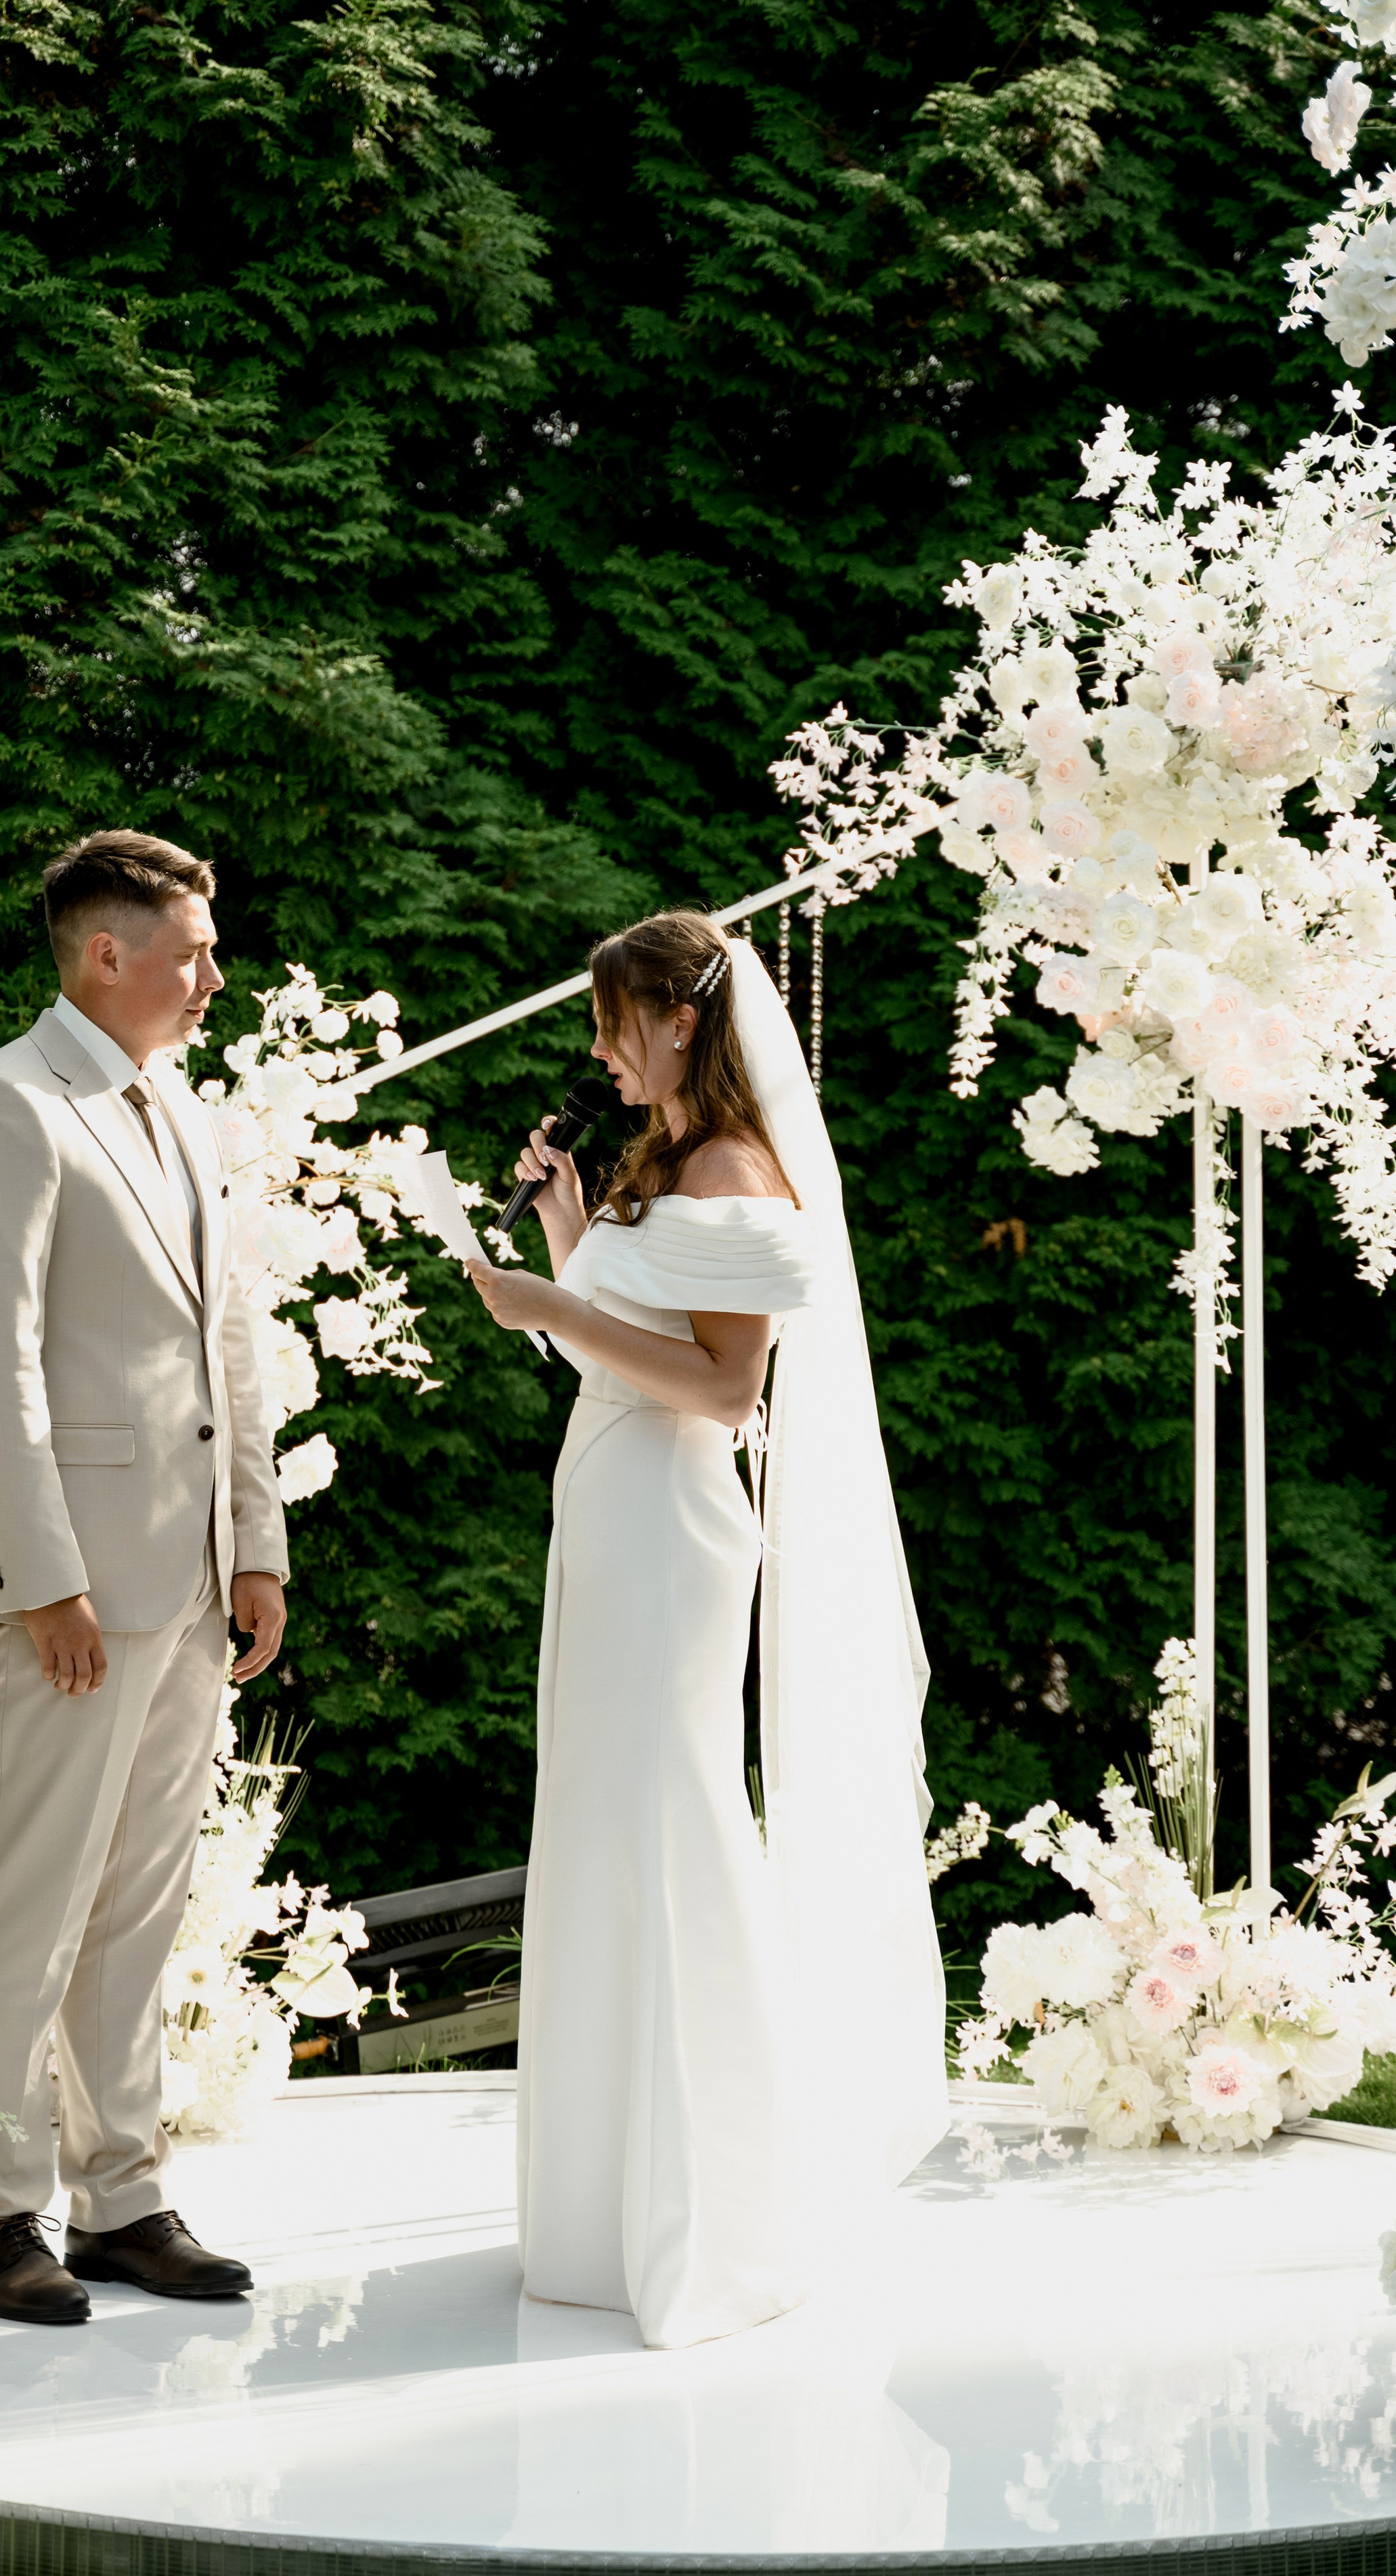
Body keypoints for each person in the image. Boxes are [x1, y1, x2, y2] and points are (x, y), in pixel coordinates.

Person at [466, 910, 946, 2352]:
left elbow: (724, 1389)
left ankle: (717, 2211)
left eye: (619, 1021)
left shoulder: (735, 1169)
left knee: (668, 1817)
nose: (601, 1050)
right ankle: (609, 2203)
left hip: (669, 1528)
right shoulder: (658, 1163)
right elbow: (631, 1335)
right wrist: (564, 1237)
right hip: (606, 1508)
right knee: (604, 1822)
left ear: (684, 1020)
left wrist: (551, 1295)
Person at [0, 829, 289, 2326]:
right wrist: (42, 1577)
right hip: (64, 1588)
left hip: (191, 1579)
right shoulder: (3, 1110)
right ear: (102, 956)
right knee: (27, 1899)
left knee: (141, 1902)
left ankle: (121, 2197)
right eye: (190, 951)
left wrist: (252, 1540)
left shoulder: (177, 1113)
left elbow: (228, 1346)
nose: (212, 976)